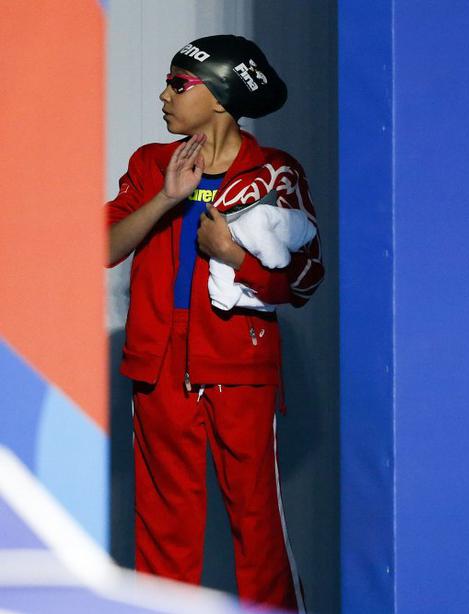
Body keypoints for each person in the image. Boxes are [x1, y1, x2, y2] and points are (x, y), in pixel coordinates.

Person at [105, 35, 322, 611]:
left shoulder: (276, 172)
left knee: (258, 527)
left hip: (240, 367)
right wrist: (164, 199)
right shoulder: (151, 163)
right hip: (159, 368)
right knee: (163, 529)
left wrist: (233, 257)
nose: (164, 95)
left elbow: (306, 280)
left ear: (222, 97)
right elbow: (100, 246)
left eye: (178, 84)